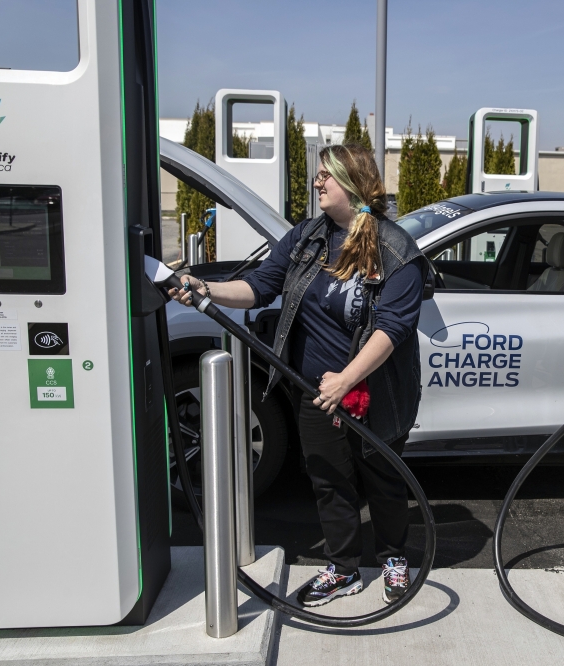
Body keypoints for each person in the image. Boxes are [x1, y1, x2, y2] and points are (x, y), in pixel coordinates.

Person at [169, 143, 427, 607]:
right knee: (328, 480)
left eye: (325, 175)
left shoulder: (396, 250)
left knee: (384, 482)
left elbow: (392, 329)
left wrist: (347, 379)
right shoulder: (307, 236)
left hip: (375, 392)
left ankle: (393, 559)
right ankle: (343, 568)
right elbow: (260, 286)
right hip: (313, 390)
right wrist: (204, 287)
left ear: (351, 181)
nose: (317, 183)